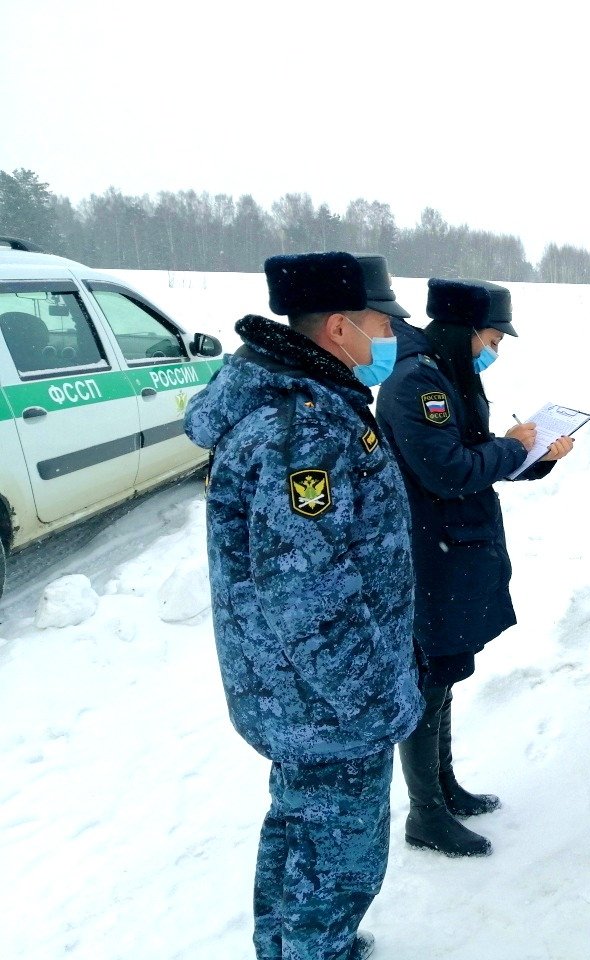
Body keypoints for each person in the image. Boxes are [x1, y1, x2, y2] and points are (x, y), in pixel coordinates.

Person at [185, 252, 424, 960]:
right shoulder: (305, 431)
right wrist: (370, 699)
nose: (394, 337)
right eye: (386, 323)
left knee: (298, 832)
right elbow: (307, 593)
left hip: (297, 695)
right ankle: (315, 948)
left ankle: (290, 946)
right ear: (342, 329)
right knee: (339, 860)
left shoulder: (304, 402)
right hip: (327, 705)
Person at [375, 277, 574, 857]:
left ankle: (444, 786)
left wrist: (532, 458)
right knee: (428, 678)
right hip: (429, 550)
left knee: (444, 674)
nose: (496, 349)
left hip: (451, 543)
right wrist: (511, 447)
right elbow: (447, 469)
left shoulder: (447, 372)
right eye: (492, 337)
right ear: (466, 331)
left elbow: (470, 450)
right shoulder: (418, 383)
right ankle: (425, 814)